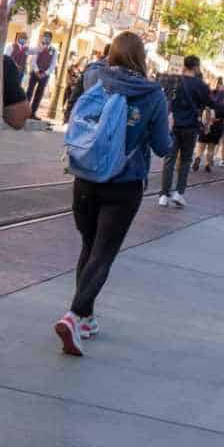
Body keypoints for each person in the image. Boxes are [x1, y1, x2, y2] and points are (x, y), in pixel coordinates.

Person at [53, 31, 173, 356]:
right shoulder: (152, 94)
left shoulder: (93, 75)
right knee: (103, 253)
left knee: (89, 246)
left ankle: (87, 317)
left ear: (112, 53)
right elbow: (163, 146)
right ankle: (75, 315)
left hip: (86, 177)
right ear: (141, 58)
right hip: (125, 183)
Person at [157, 55, 216, 208]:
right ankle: (179, 193)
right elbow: (209, 103)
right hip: (190, 126)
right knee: (185, 160)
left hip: (173, 124)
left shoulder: (174, 80)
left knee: (169, 159)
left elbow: (165, 98)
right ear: (196, 67)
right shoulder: (201, 85)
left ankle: (163, 195)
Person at [25, 31, 57, 118]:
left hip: (45, 75)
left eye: (48, 37)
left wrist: (45, 73)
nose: (46, 38)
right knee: (29, 92)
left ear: (51, 39)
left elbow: (53, 64)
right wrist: (37, 71)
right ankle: (25, 111)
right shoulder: (37, 47)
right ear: (42, 37)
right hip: (35, 73)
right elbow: (33, 61)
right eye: (45, 36)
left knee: (39, 94)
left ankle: (33, 113)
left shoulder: (54, 50)